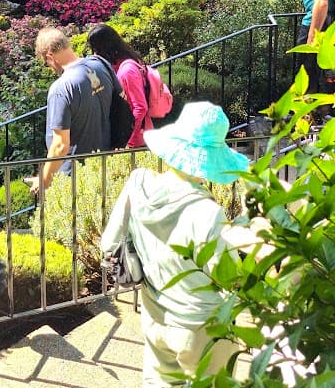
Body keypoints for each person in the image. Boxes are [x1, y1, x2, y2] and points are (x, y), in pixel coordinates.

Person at [99, 103, 251, 388]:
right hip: (200, 328)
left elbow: (109, 243)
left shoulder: (138, 183)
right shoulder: (207, 213)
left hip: (154, 314)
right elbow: (229, 277)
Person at [31, 26, 119, 197]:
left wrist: (44, 179)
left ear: (49, 55)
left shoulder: (61, 88)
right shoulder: (100, 65)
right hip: (104, 162)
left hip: (75, 174)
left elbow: (60, 145)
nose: (48, 67)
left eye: (45, 63)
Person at [87, 23, 156, 148]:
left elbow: (140, 108)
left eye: (96, 49)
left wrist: (129, 141)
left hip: (135, 141)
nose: (95, 54)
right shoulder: (119, 64)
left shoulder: (127, 70)